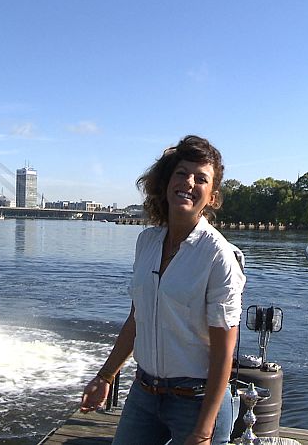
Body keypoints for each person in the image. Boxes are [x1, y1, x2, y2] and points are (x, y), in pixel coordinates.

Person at [79, 135, 245, 445]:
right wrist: (105, 376)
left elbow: (224, 351)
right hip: (144, 394)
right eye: (181, 173)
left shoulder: (218, 256)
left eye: (201, 178)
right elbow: (136, 321)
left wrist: (203, 431)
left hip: (197, 401)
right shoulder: (147, 242)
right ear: (167, 181)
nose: (189, 182)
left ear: (212, 196)